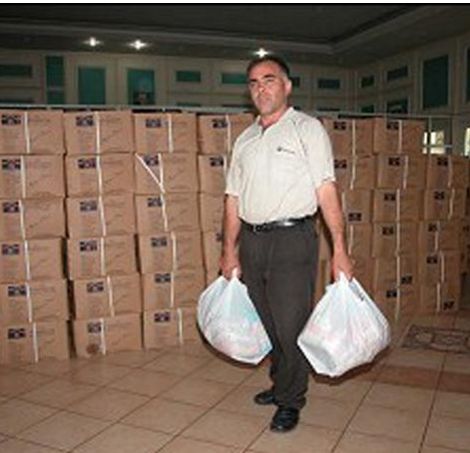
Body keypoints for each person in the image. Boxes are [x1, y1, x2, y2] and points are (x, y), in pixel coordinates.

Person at [220, 55, 353, 433]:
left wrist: (340, 249)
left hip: (293, 240)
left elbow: (326, 189)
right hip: (253, 241)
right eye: (254, 83)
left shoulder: (307, 129)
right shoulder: (245, 139)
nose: (261, 89)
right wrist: (228, 250)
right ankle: (281, 383)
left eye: (269, 80)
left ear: (287, 86)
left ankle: (291, 399)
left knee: (290, 324)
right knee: (268, 323)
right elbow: (232, 198)